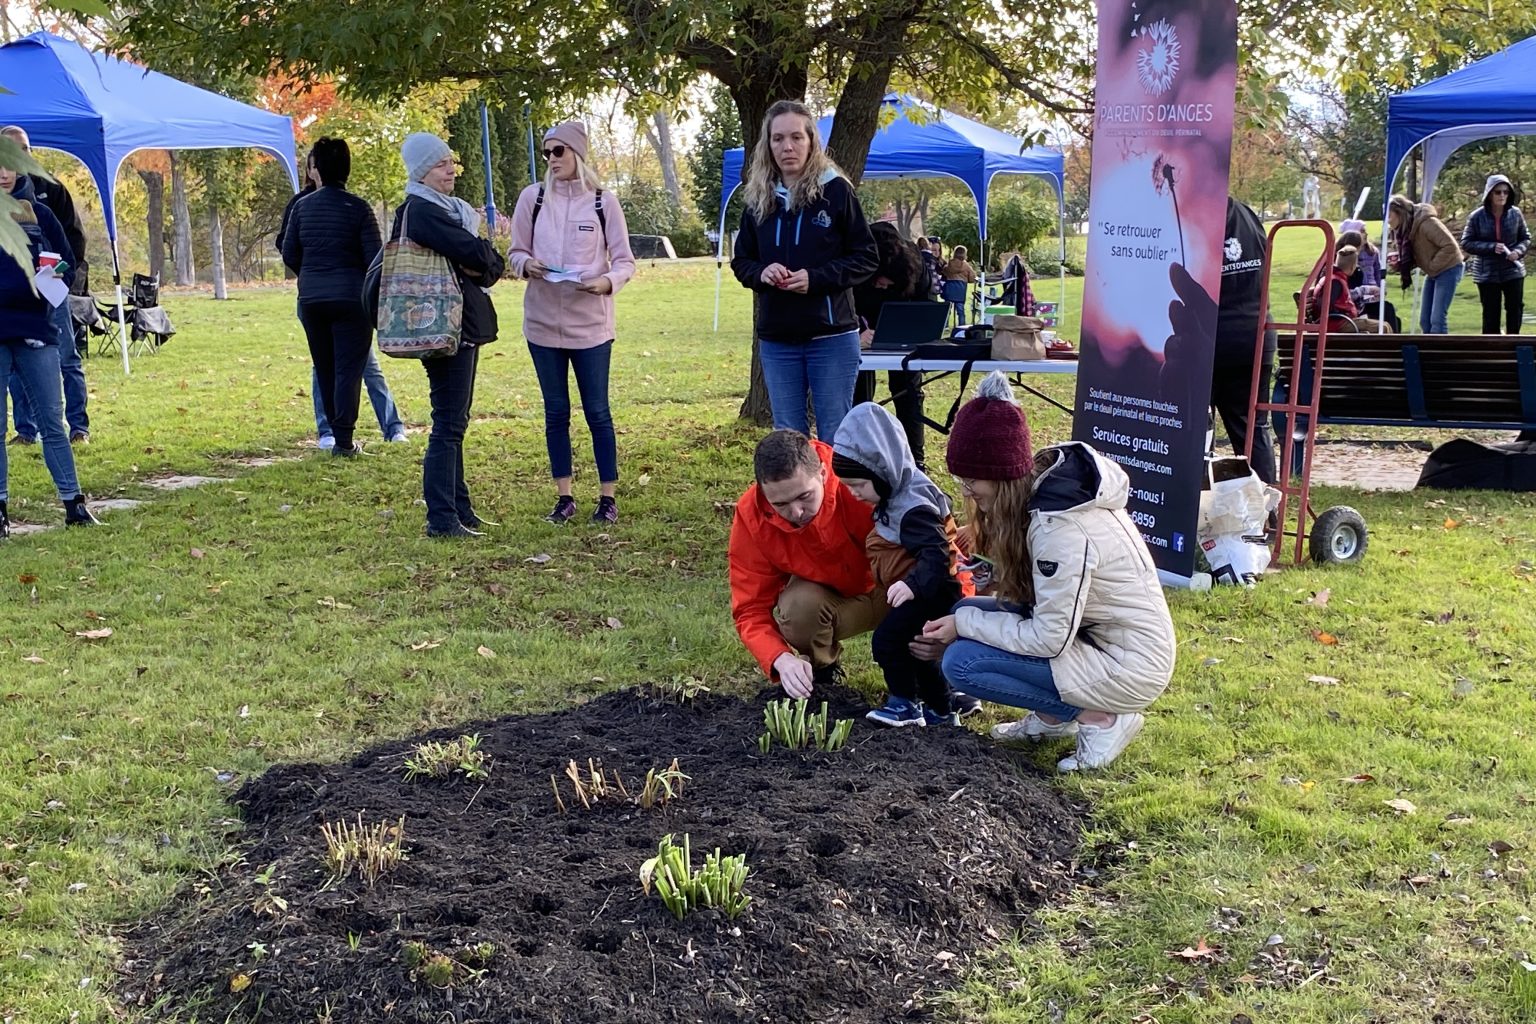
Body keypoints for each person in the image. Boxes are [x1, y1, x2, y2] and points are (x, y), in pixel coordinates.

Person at [918, 373, 1175, 772]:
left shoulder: (1058, 528)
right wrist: (992, 587)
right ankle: (1053, 718)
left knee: (962, 662)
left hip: (1129, 663)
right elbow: (1051, 601)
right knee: (976, 609)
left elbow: (1048, 637)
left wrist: (962, 623)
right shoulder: (1047, 498)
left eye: (971, 481)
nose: (966, 492)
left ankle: (1102, 718)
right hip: (1100, 640)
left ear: (1002, 475)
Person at [508, 121, 636, 525]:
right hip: (542, 326)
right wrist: (527, 265)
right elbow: (515, 253)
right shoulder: (533, 198)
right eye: (547, 153)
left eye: (559, 151)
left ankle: (607, 497)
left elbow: (625, 261)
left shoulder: (602, 201)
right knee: (555, 412)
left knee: (597, 411)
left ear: (578, 153)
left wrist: (606, 282)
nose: (551, 160)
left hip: (591, 329)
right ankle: (564, 496)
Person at [730, 100, 876, 445]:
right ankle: (798, 501)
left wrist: (816, 278)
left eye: (796, 137)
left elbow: (866, 256)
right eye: (778, 139)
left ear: (811, 141)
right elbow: (742, 261)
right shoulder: (757, 198)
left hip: (831, 338)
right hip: (778, 339)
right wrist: (761, 272)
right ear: (768, 145)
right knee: (789, 438)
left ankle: (834, 500)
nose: (787, 147)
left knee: (834, 437)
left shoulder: (836, 191)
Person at [390, 132, 506, 538]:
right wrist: (486, 258)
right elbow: (478, 256)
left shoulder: (442, 210)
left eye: (451, 163)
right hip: (447, 325)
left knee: (454, 420)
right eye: (441, 165)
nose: (451, 171)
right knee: (449, 423)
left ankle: (460, 509)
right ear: (422, 173)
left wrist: (482, 259)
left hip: (454, 324)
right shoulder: (423, 211)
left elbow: (477, 258)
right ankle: (441, 518)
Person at [832, 403, 970, 727]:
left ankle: (904, 703)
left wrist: (911, 585)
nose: (853, 494)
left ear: (883, 470)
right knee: (917, 649)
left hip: (930, 591)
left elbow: (936, 555)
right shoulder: (896, 492)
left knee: (888, 641)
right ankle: (941, 710)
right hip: (925, 588)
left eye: (858, 485)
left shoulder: (913, 507)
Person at [729, 429, 881, 698]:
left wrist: (952, 620)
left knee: (922, 587)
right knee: (798, 608)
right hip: (830, 601)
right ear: (764, 493)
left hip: (894, 589)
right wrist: (779, 657)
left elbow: (937, 553)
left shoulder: (862, 481)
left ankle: (932, 670)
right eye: (781, 504)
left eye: (804, 497)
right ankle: (822, 676)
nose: (796, 512)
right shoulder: (751, 516)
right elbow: (750, 608)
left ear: (823, 473)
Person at [277, 148, 408, 449]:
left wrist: (310, 273)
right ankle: (345, 441)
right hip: (351, 299)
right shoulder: (359, 208)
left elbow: (289, 252)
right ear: (346, 170)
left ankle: (332, 433)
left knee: (324, 367)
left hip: (312, 299)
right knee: (349, 370)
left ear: (317, 170)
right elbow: (375, 258)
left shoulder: (301, 207)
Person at [1, 152, 98, 535]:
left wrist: (46, 290)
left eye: (9, 166)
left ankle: (74, 504)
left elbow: (65, 262)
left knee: (52, 423)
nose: (4, 174)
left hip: (36, 330)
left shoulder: (39, 214)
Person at [3, 125, 89, 446]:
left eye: (24, 149)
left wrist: (58, 278)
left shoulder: (51, 190)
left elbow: (74, 239)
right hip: (14, 299)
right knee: (16, 362)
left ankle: (79, 427)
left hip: (51, 290)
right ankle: (26, 430)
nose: (20, 156)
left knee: (67, 358)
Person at [851, 222, 932, 465]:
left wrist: (915, 334)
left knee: (909, 393)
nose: (883, 287)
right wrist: (857, 331)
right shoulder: (855, 260)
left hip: (903, 340)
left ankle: (915, 464)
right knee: (859, 396)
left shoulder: (915, 265)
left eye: (889, 284)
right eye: (879, 281)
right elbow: (837, 305)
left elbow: (927, 306)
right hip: (860, 334)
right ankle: (861, 459)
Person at [1210, 197, 1277, 484]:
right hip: (1256, 332)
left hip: (1214, 338)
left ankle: (1197, 511)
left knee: (1194, 432)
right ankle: (1266, 511)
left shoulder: (1197, 218)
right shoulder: (1247, 215)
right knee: (1252, 428)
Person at [1460, 174, 1529, 335]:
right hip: (1487, 272)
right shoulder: (1476, 216)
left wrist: (1517, 252)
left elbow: (1525, 238)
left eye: (1505, 192)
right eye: (1498, 192)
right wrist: (1491, 247)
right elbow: (1466, 242)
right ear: (1489, 193)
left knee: (1515, 308)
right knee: (1491, 313)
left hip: (1513, 269)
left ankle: (1514, 346)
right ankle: (1492, 349)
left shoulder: (1515, 213)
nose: (1502, 195)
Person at [1387, 194, 1463, 335]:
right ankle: (1427, 352)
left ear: (1400, 213)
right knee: (1425, 321)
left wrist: (1431, 266)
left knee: (1437, 319)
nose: (1388, 220)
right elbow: (1419, 254)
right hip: (1434, 271)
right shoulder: (1405, 230)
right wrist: (1401, 264)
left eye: (1389, 215)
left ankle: (1438, 354)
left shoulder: (1427, 222)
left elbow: (1450, 247)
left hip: (1450, 267)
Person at [1337, 222, 1400, 333]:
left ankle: (1394, 345)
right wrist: (1365, 291)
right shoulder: (1344, 265)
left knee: (1389, 311)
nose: (1366, 234)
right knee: (1386, 313)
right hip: (1349, 309)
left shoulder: (1370, 254)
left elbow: (1377, 273)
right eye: (1362, 231)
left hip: (1362, 300)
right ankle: (1392, 346)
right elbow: (1344, 296)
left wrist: (1380, 290)